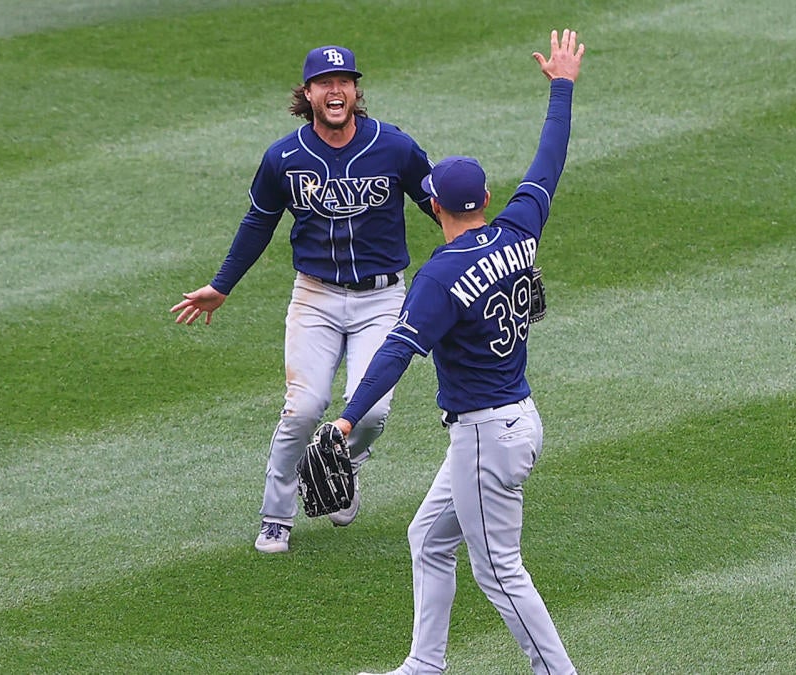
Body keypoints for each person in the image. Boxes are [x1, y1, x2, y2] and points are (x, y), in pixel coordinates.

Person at [329, 29, 585, 675]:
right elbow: (547, 162)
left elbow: (394, 352)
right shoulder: (518, 229)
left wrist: (346, 416)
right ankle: (424, 664)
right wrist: (562, 86)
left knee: (499, 571)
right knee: (428, 538)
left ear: (434, 205)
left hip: (484, 435)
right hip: (519, 417)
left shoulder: (441, 276)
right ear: (488, 201)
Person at [170, 44, 437, 554]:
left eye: (345, 81)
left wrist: (482, 249)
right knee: (303, 408)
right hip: (314, 297)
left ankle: (344, 468)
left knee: (374, 411)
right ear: (308, 94)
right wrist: (221, 285)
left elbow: (437, 205)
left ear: (357, 91)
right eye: (324, 83)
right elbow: (258, 223)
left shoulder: (395, 147)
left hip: (382, 300)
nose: (335, 90)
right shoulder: (284, 158)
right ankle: (277, 515)